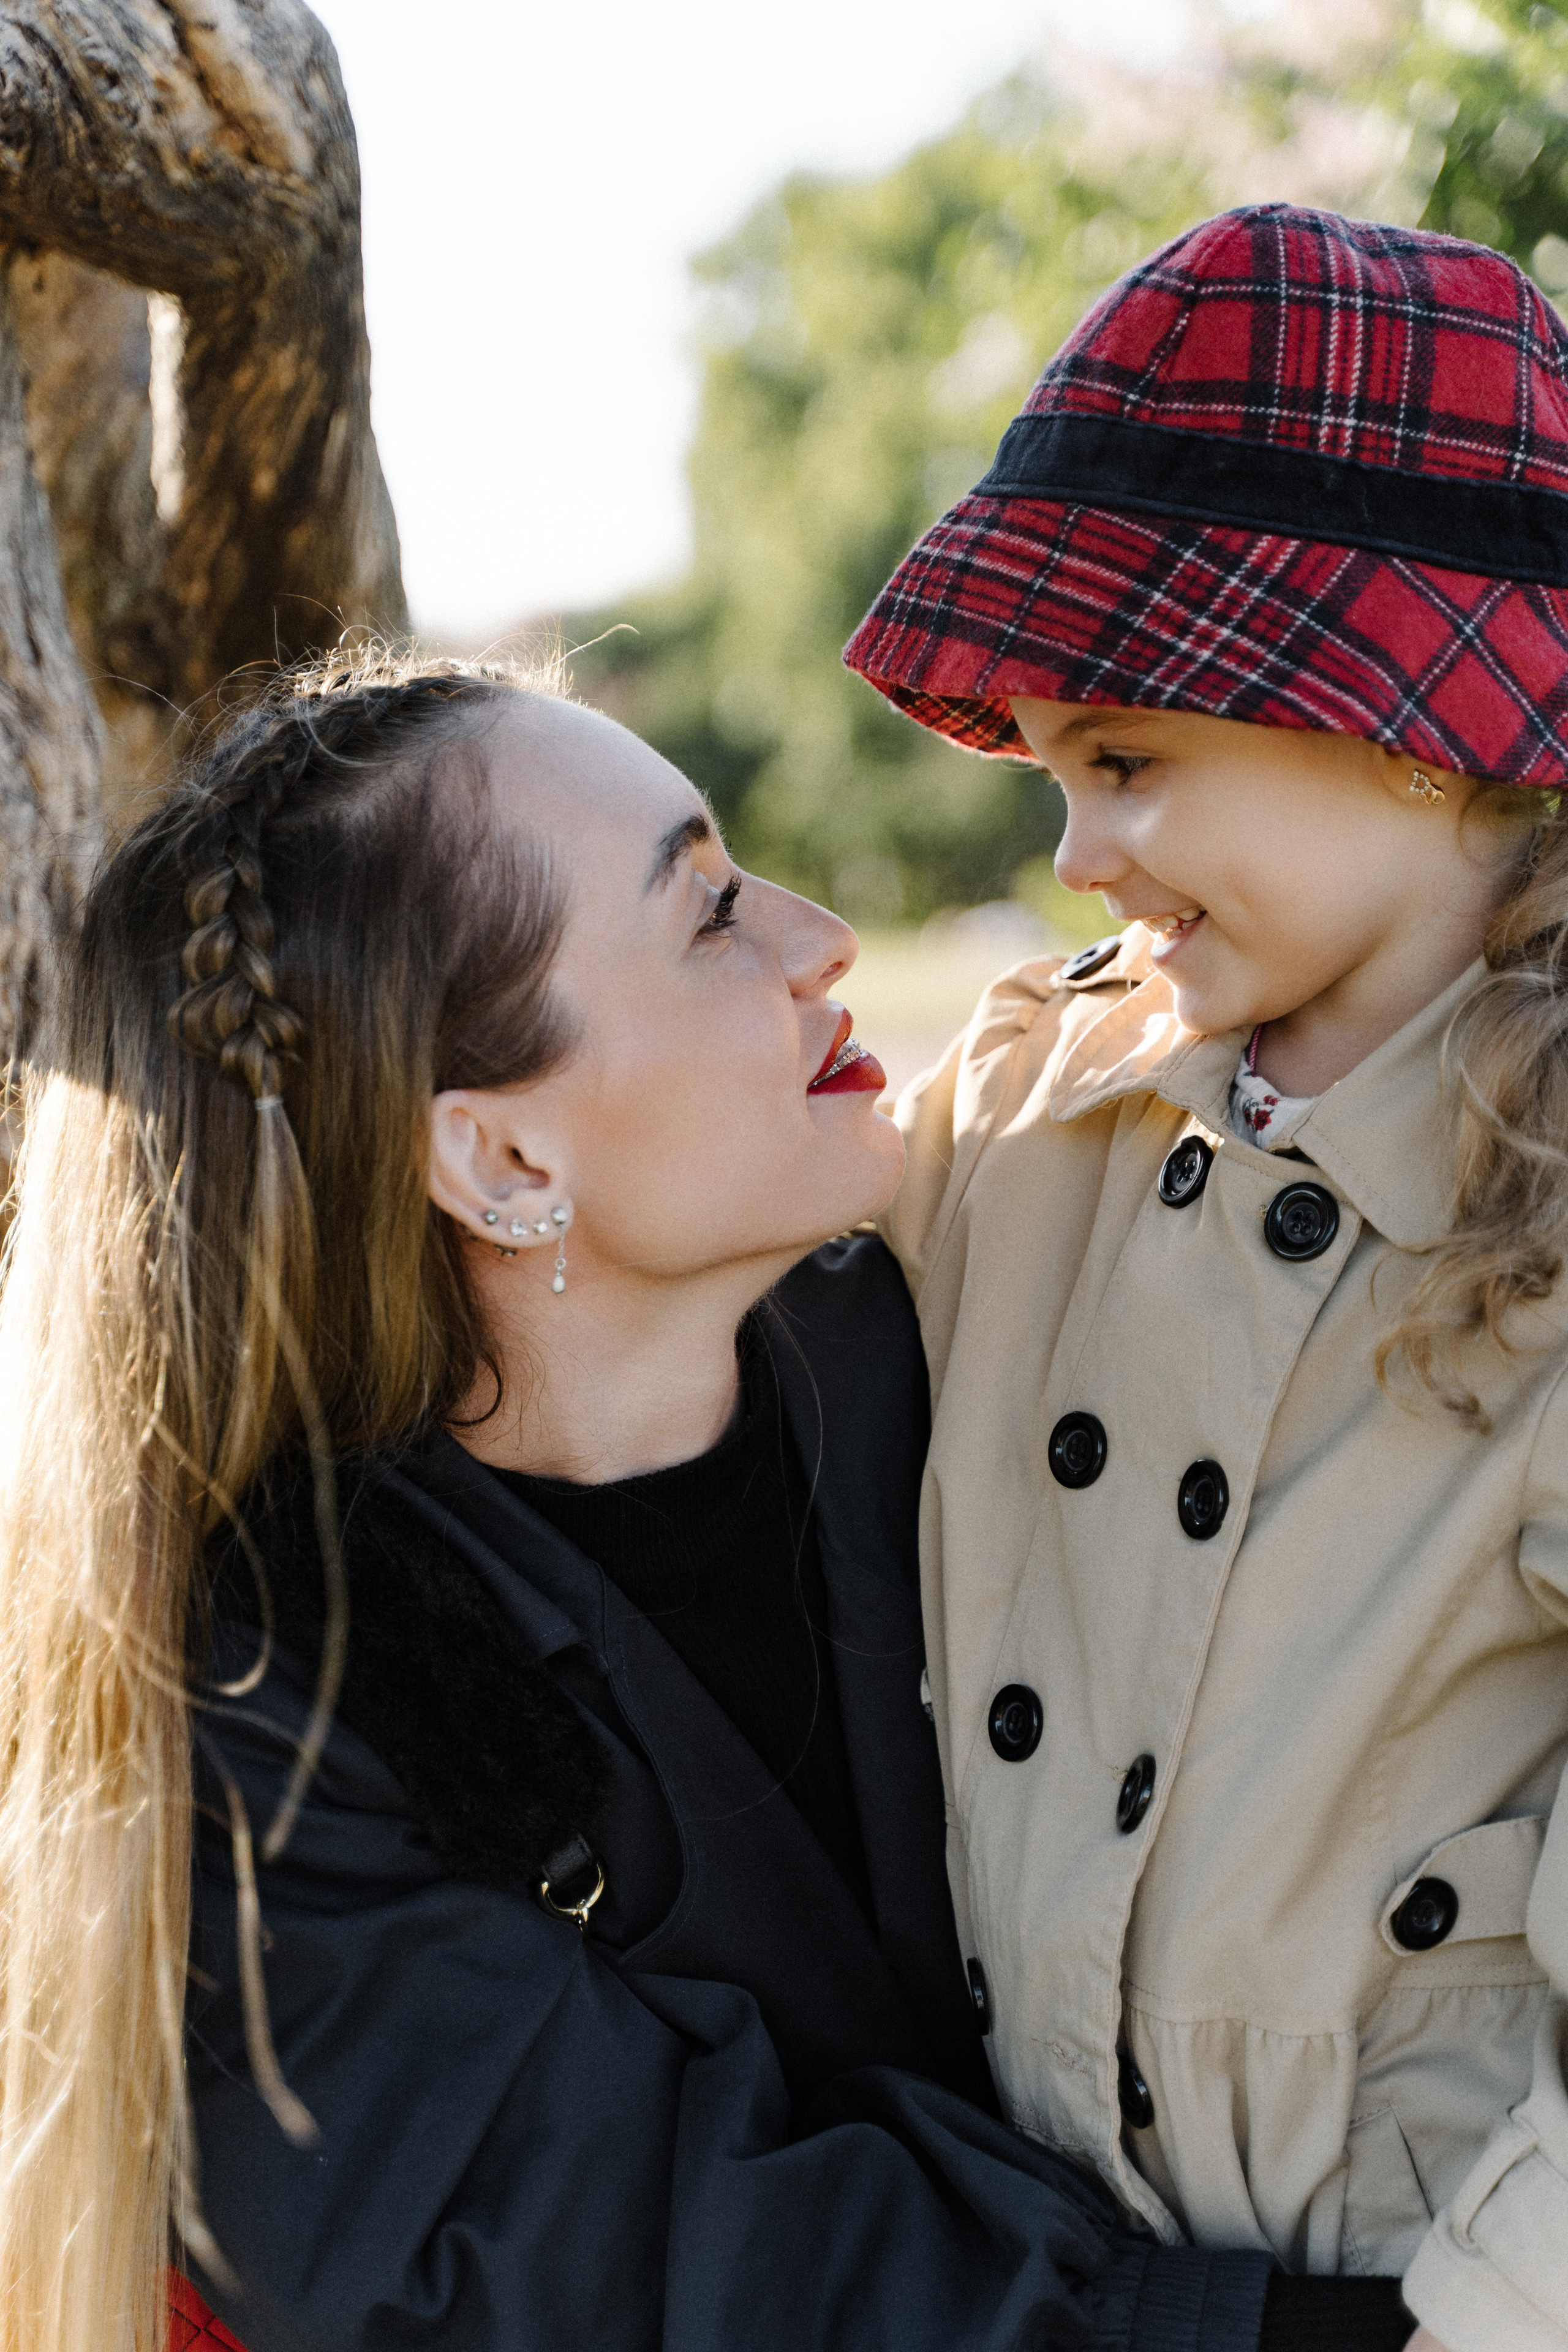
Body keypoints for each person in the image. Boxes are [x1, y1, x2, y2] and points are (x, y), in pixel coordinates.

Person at [0, 652, 1413, 2352]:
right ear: (505, 1166)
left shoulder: (974, 1342)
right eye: (711, 913)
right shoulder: (248, 1714)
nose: (822, 936)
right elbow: (661, 2266)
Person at [843, 203, 1568, 2352]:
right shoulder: (1029, 1114)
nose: (1073, 857)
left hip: (1416, 2293)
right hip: (1032, 2269)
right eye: (1060, 775)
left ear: (1412, 721)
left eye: (1130, 763)